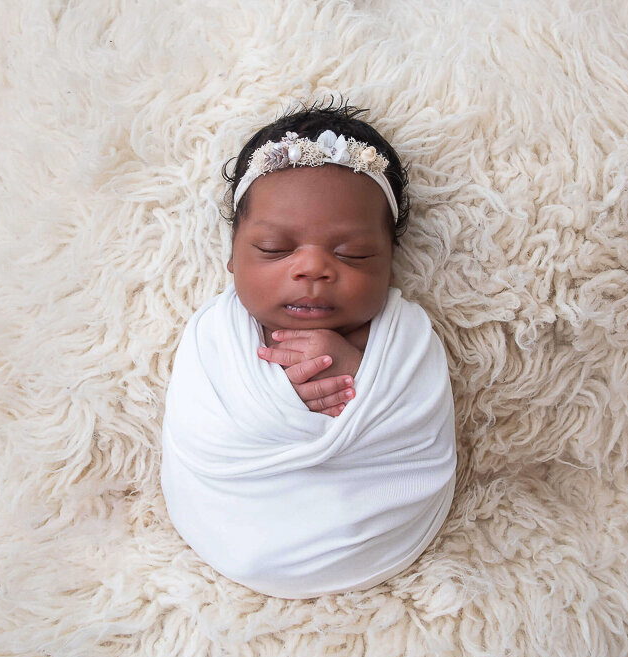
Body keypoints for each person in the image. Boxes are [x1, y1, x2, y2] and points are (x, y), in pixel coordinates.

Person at [161, 99, 457, 598]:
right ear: (233, 256)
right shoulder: (213, 335)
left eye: (353, 254)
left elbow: (417, 426)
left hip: (375, 535)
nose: (312, 269)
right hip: (236, 524)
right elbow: (201, 432)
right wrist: (277, 402)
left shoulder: (405, 336)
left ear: (390, 262)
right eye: (275, 249)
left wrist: (359, 378)